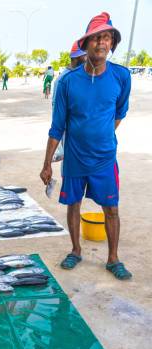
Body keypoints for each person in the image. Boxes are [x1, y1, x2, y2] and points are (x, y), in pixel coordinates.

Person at [40, 12, 132, 280]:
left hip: (105, 159)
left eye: (106, 38)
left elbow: (118, 113)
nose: (101, 43)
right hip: (75, 158)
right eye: (96, 38)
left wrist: (101, 135)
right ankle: (76, 250)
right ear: (86, 44)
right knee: (73, 205)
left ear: (111, 44)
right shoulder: (68, 82)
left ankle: (113, 258)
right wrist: (47, 163)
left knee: (112, 209)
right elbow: (57, 126)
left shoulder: (122, 77)